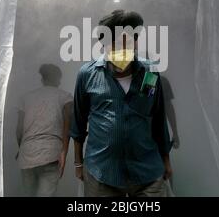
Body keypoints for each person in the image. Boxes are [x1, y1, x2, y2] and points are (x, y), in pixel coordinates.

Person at [71, 10, 172, 197]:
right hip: (102, 173)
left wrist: (166, 159)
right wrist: (78, 163)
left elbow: (157, 117)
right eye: (117, 42)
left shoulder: (149, 73)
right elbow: (78, 122)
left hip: (147, 173)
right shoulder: (87, 74)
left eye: (130, 40)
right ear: (105, 44)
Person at [16, 64, 73, 197]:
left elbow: (19, 130)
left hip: (27, 155)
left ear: (42, 79)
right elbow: (67, 126)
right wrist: (64, 152)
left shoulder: (26, 98)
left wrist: (22, 148)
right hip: (51, 154)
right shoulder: (65, 97)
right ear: (59, 79)